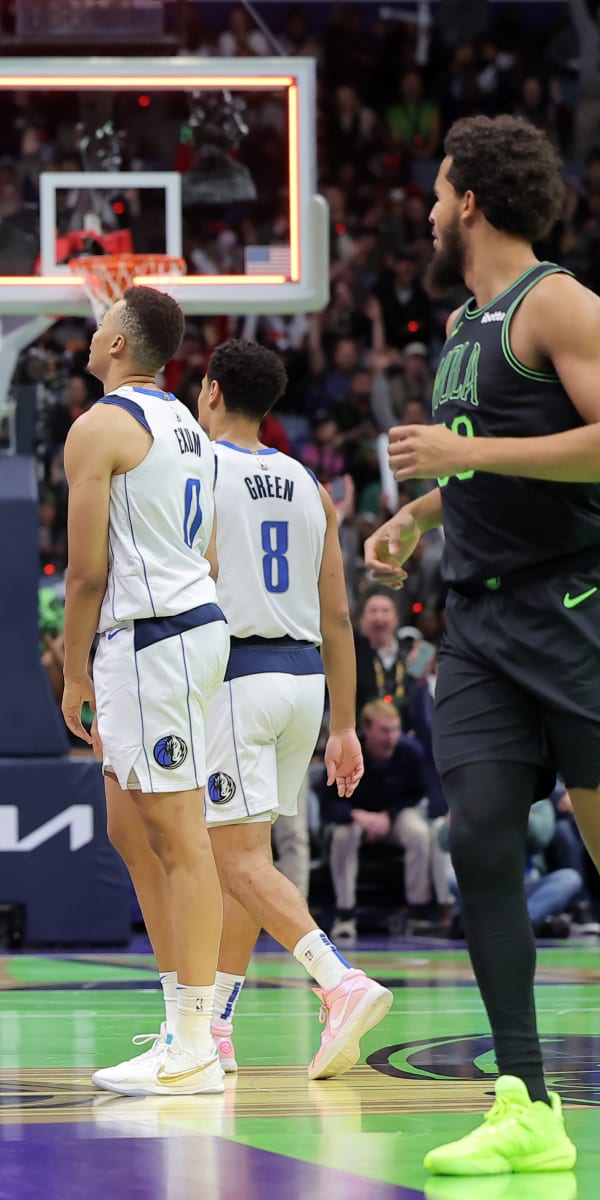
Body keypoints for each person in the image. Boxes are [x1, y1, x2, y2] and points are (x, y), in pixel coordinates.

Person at [368, 114, 596, 1175]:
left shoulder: (556, 302)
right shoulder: (464, 324)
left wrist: (467, 448)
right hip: (479, 626)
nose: (425, 204)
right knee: (480, 845)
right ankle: (527, 1105)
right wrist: (416, 518)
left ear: (470, 200)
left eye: (437, 187)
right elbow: (485, 471)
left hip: (575, 610)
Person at [189, 339, 393, 1082]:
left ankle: (339, 981)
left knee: (234, 858)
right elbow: (338, 615)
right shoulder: (310, 480)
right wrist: (344, 722)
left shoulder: (202, 466)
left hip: (240, 675)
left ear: (210, 392)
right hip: (306, 679)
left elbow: (200, 570)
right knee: (250, 859)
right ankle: (216, 1025)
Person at [59, 285, 228, 1097]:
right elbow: (211, 549)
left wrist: (70, 664)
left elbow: (86, 569)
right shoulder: (190, 427)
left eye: (100, 325)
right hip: (174, 628)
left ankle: (199, 1041)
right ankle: (177, 1023)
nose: (91, 334)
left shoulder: (98, 427)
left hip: (154, 635)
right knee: (132, 828)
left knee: (178, 834)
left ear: (121, 344)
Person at [324, 701, 435, 942]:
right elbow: (329, 802)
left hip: (393, 817)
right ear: (366, 729)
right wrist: (358, 816)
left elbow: (415, 794)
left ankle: (417, 912)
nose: (391, 737)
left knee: (418, 832)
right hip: (356, 818)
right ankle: (345, 914)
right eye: (385, 730)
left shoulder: (410, 751)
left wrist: (389, 816)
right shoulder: (347, 750)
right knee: (343, 836)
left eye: (395, 729)